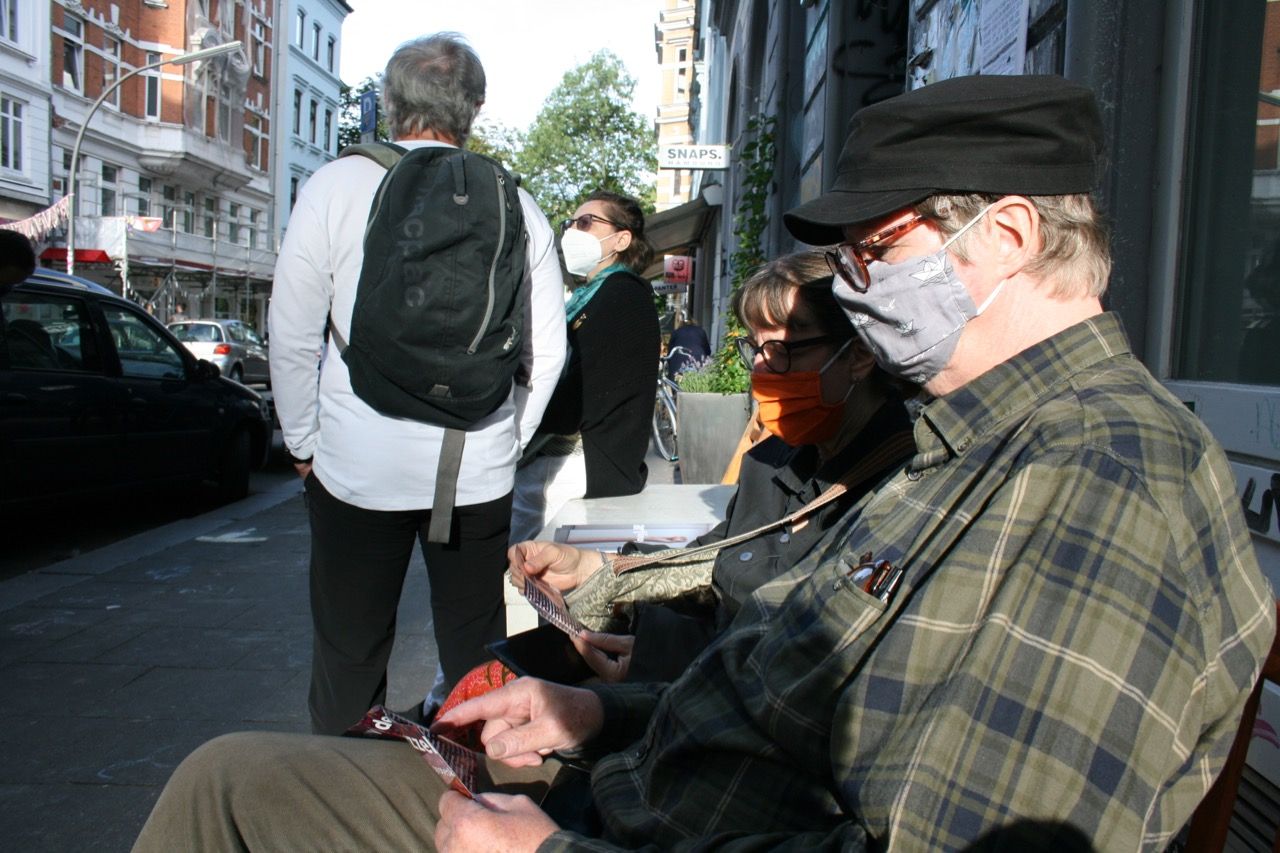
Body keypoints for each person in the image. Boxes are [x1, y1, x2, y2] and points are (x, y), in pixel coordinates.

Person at [135, 74, 1275, 852]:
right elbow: (799, 705)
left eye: (875, 251)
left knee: (232, 790)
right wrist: (598, 714)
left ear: (1011, 237)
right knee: (237, 776)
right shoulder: (971, 442)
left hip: (622, 829)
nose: (856, 288)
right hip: (633, 791)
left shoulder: (1102, 477)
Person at [267, 33, 566, 736]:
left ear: (388, 102)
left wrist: (303, 444)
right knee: (474, 647)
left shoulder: (335, 186)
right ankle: (477, 781)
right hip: (472, 469)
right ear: (474, 109)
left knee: (348, 646)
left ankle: (341, 780)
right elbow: (547, 353)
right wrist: (505, 439)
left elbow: (292, 328)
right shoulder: (515, 203)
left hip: (353, 464)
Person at [511, 250, 915, 682]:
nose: (760, 367)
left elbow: (816, 660)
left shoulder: (906, 488)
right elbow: (715, 559)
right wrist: (590, 565)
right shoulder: (770, 459)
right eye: (754, 347)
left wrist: (655, 661)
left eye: (781, 348)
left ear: (859, 354)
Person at [508, 191, 660, 544]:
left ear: (622, 239)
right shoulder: (593, 295)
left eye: (586, 222)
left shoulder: (622, 294)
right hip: (570, 458)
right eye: (570, 223)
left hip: (580, 463)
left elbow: (581, 389)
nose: (573, 231)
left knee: (523, 558)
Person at [663, 311, 709, 379]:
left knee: (676, 381)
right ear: (694, 324)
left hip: (678, 363)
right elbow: (707, 350)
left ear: (681, 325)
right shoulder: (701, 331)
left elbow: (670, 351)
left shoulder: (676, 332)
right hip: (698, 361)